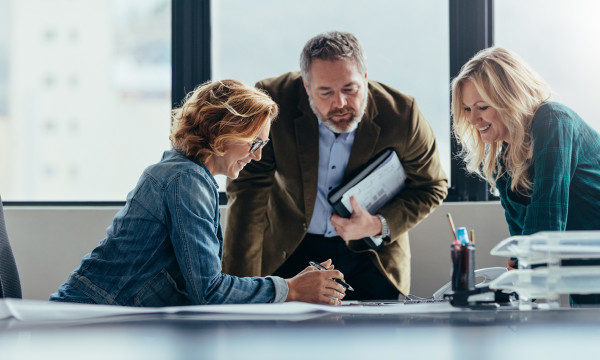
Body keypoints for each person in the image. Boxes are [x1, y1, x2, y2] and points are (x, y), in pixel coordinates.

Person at [50, 79, 347, 306]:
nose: (257, 156)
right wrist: (291, 289)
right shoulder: (186, 181)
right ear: (223, 131)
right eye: (254, 143)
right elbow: (209, 290)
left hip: (103, 316)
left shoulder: (185, 173)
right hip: (87, 318)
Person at [223, 31, 448, 300]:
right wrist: (240, 288)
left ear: (365, 79)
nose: (340, 103)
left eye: (350, 89)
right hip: (291, 247)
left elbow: (432, 185)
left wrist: (377, 225)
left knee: (374, 339)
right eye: (326, 92)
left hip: (370, 256)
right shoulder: (274, 101)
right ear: (306, 87)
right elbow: (248, 191)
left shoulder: (402, 114)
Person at [451, 46, 600, 306]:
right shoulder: (500, 165)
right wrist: (513, 275)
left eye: (482, 107)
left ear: (509, 98)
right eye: (466, 109)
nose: (473, 119)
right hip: (584, 274)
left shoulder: (553, 119)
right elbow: (522, 242)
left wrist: (521, 270)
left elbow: (547, 214)